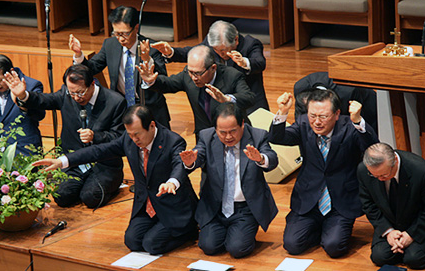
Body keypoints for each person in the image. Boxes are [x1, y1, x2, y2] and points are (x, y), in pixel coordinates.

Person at [32, 105, 198, 255]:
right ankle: (158, 229)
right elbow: (99, 151)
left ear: (152, 126)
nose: (134, 139)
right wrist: (62, 161)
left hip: (172, 207)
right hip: (147, 205)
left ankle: (188, 230)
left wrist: (171, 182)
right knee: (132, 241)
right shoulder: (129, 139)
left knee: (152, 244)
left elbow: (179, 166)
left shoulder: (173, 141)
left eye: (137, 134)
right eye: (130, 134)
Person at [269, 89, 379, 258]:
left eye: (323, 116)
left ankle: (330, 231)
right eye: (312, 115)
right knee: (292, 245)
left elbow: (372, 148)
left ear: (336, 114)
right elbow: (278, 138)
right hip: (308, 199)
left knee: (334, 247)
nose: (317, 122)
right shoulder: (303, 123)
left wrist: (358, 121)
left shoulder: (350, 126)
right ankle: (320, 230)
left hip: (339, 201)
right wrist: (282, 113)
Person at [4, 64, 126, 209]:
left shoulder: (115, 101)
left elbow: (119, 137)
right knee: (62, 196)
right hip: (75, 162)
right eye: (72, 93)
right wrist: (23, 95)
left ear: (92, 84)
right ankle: (83, 184)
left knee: (90, 197)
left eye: (80, 93)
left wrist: (95, 136)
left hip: (104, 164)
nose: (75, 98)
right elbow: (44, 100)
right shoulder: (66, 94)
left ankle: (113, 183)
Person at [179, 102, 278, 258]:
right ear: (215, 129)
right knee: (208, 246)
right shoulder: (206, 136)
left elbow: (272, 159)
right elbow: (198, 155)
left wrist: (260, 158)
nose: (228, 137)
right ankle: (228, 232)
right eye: (222, 132)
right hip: (215, 207)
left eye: (233, 131)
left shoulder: (258, 136)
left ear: (242, 124)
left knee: (237, 249)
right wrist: (191, 162)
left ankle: (242, 232)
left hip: (245, 208)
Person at [69, 5, 171, 129]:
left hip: (149, 109)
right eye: (116, 33)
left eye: (125, 34)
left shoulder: (152, 48)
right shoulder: (110, 45)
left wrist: (147, 60)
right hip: (121, 107)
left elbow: (163, 82)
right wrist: (79, 55)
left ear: (136, 28)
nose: (120, 39)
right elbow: (93, 68)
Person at [138, 45, 255, 138]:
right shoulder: (188, 75)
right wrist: (151, 81)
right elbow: (168, 84)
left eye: (198, 73)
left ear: (213, 68)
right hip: (205, 136)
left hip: (233, 134)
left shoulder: (232, 75)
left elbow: (249, 98)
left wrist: (226, 99)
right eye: (191, 72)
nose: (193, 77)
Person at [152, 20, 267, 114]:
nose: (220, 53)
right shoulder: (211, 43)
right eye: (216, 50)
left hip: (248, 100)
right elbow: (193, 52)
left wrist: (244, 62)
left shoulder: (250, 44)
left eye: (223, 50)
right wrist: (171, 52)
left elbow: (260, 63)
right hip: (220, 103)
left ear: (236, 40)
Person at [357, 143, 425, 269]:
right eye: (375, 176)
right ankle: (400, 246)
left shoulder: (420, 170)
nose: (381, 179)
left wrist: (411, 234)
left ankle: (406, 249)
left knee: (414, 259)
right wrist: (388, 231)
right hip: (390, 223)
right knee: (380, 257)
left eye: (384, 175)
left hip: (416, 223)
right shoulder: (363, 171)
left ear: (394, 160)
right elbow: (368, 205)